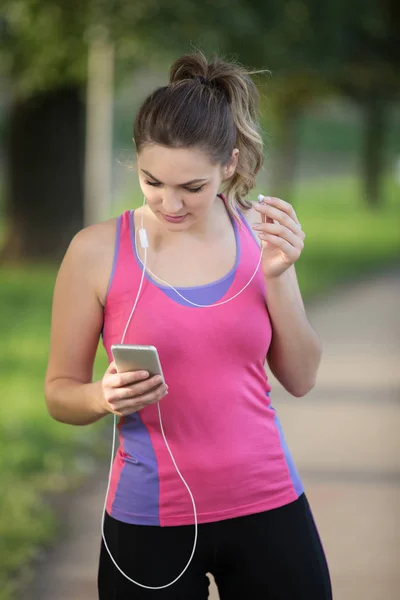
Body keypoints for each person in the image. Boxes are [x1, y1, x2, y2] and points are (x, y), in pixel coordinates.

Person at [45, 51, 332, 600]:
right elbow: (59, 394)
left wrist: (277, 274)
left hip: (268, 504)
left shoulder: (262, 235)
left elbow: (301, 377)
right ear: (136, 159)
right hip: (150, 520)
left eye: (192, 188)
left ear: (229, 163)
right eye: (153, 181)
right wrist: (102, 397)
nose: (168, 203)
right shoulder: (95, 252)